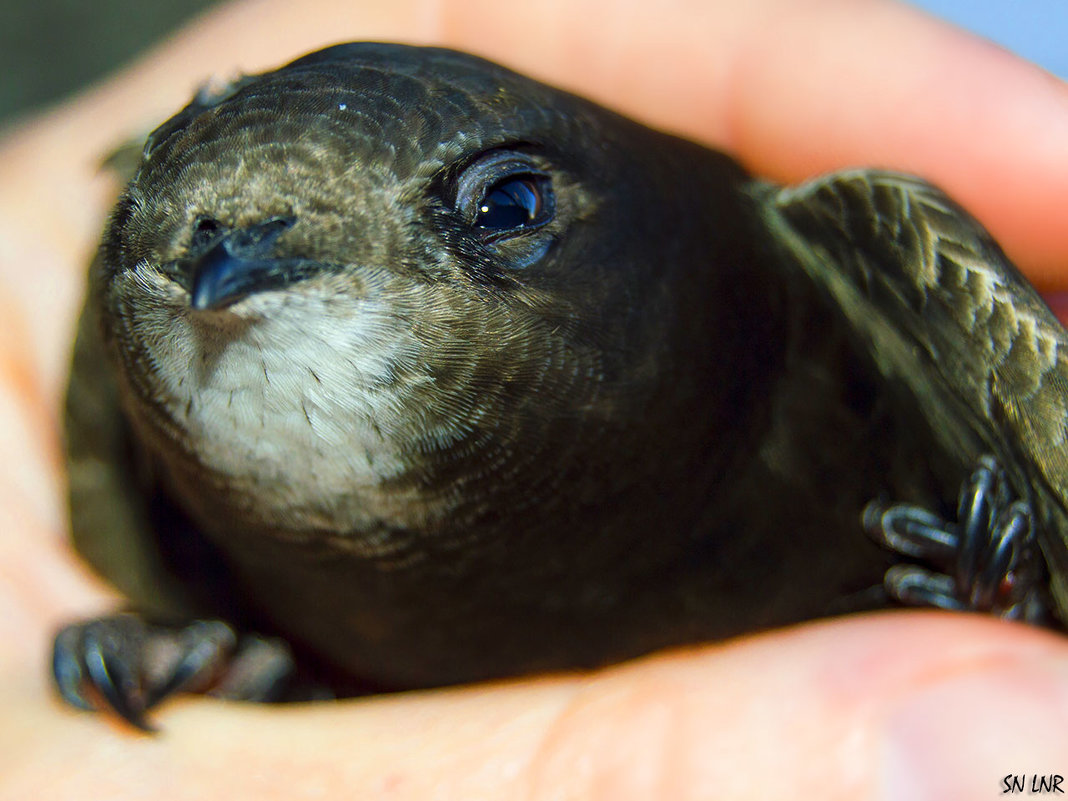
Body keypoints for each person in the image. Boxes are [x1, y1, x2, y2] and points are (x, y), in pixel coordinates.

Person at [1, 0, 1066, 797]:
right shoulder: (134, 365)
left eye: (503, 210)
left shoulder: (852, 277)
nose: (220, 277)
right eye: (161, 233)